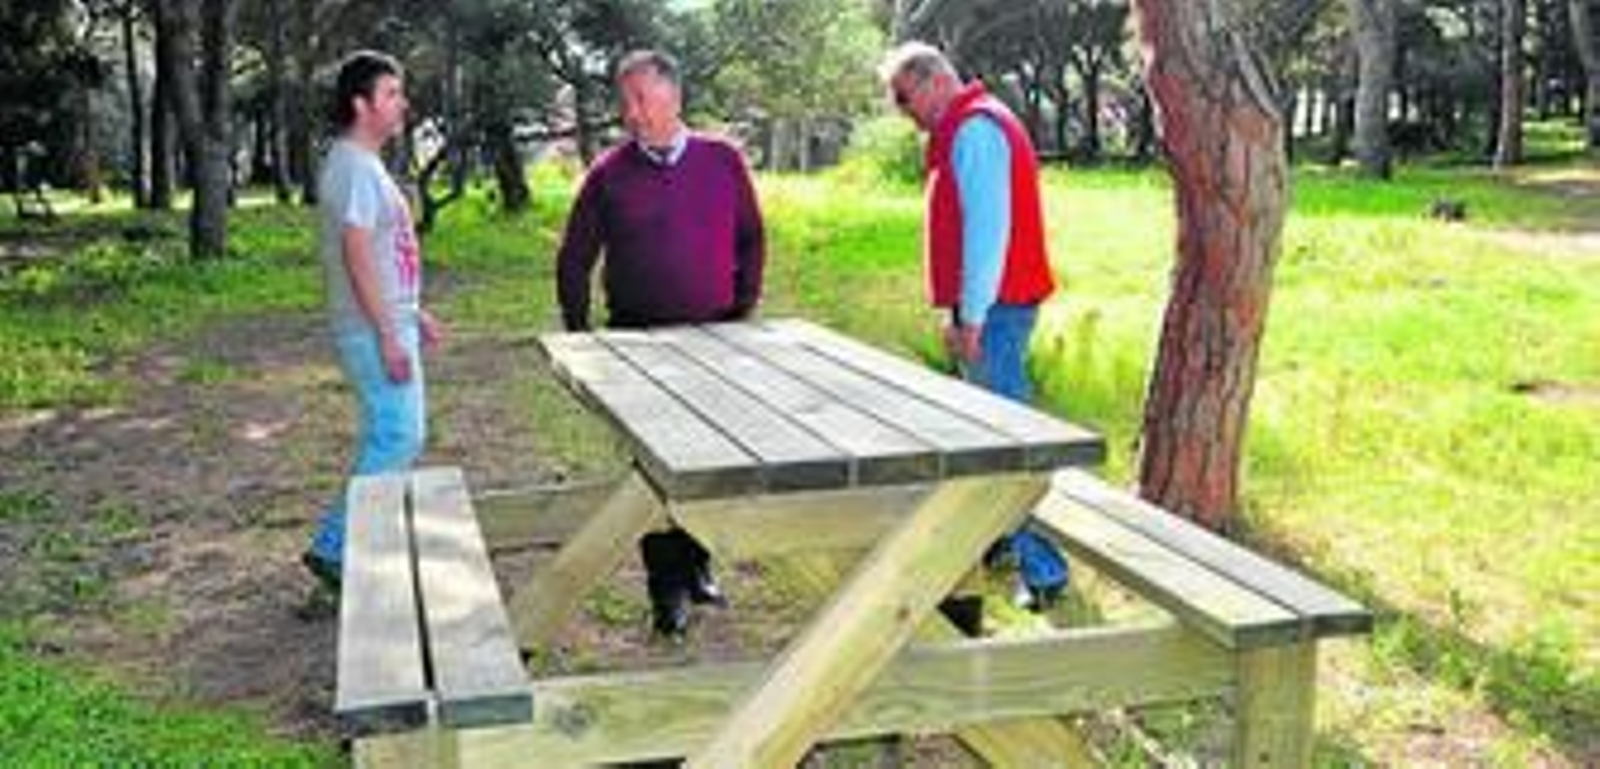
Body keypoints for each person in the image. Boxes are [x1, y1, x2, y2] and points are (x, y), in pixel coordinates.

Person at [555, 49, 765, 637]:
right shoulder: (609, 173)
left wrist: (741, 306)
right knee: (652, 466)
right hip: (638, 342)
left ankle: (698, 567)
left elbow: (751, 237)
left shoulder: (722, 161)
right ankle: (664, 590)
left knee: (708, 458)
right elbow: (574, 257)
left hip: (713, 336)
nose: (631, 113)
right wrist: (579, 333)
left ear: (673, 97)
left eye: (641, 99)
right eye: (624, 101)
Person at [879, 41, 1068, 612]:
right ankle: (1003, 543)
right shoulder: (972, 124)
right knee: (990, 434)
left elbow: (989, 233)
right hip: (997, 307)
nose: (904, 112)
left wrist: (970, 317)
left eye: (906, 98)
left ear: (935, 80)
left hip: (998, 309)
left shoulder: (975, 130)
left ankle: (1045, 570)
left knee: (1009, 444)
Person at [302, 50, 442, 587]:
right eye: (390, 94)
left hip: (385, 319)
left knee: (392, 433)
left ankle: (354, 542)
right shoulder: (356, 166)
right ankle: (338, 547)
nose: (401, 103)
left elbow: (383, 252)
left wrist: (412, 311)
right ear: (361, 105)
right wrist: (388, 332)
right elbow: (357, 253)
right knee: (399, 435)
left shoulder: (359, 162)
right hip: (370, 328)